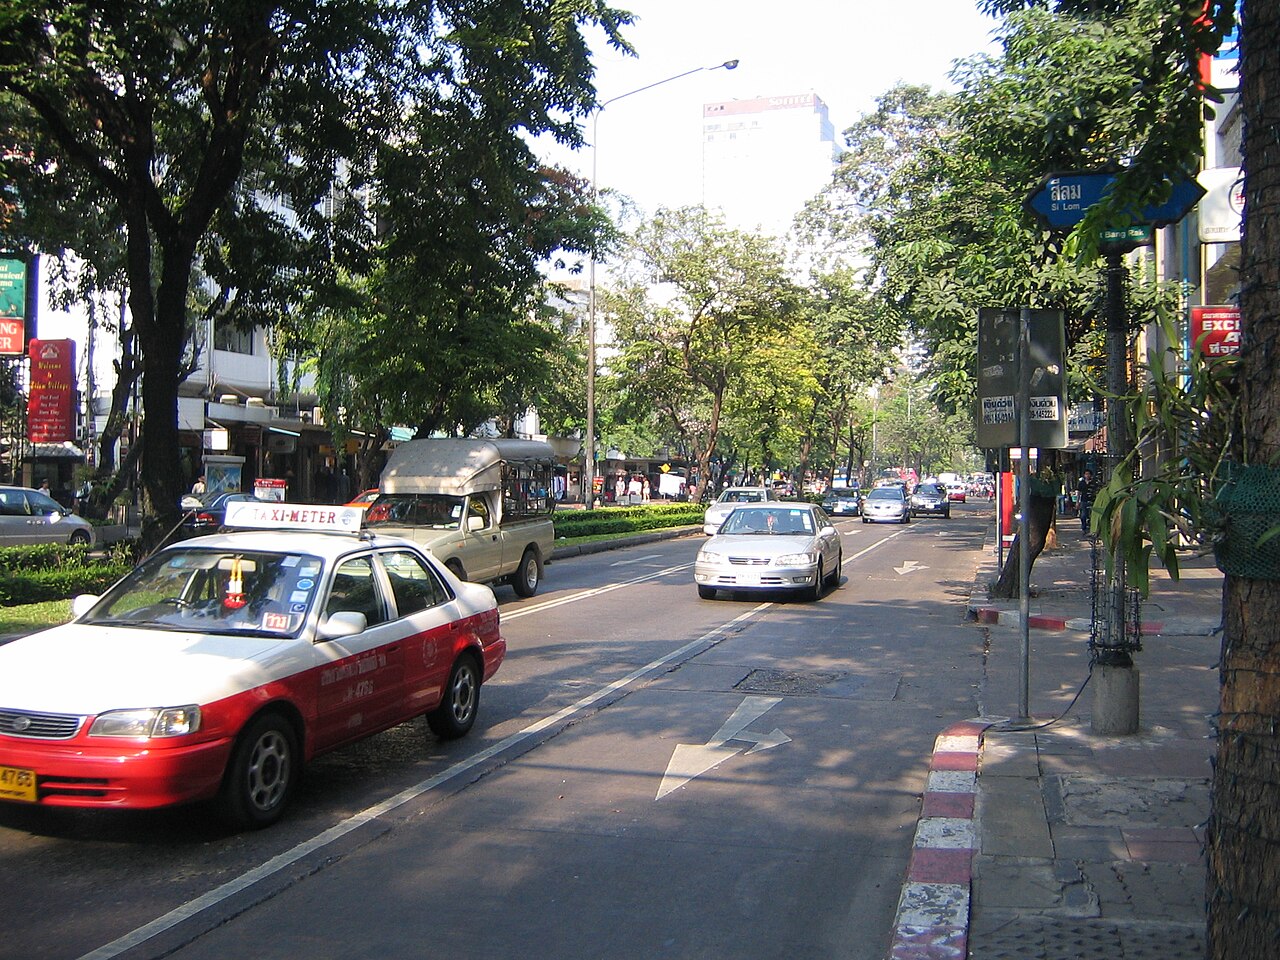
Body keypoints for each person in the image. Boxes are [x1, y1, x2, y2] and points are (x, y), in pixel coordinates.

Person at [1077, 468, 1098, 536]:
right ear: (1084, 475)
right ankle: (1084, 528)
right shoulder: (1081, 483)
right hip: (1084, 501)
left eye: (1088, 474)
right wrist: (1077, 501)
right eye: (1086, 474)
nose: (1087, 475)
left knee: (1091, 516)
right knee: (1083, 516)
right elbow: (1079, 492)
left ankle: (1092, 529)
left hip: (1092, 501)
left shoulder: (1094, 483)